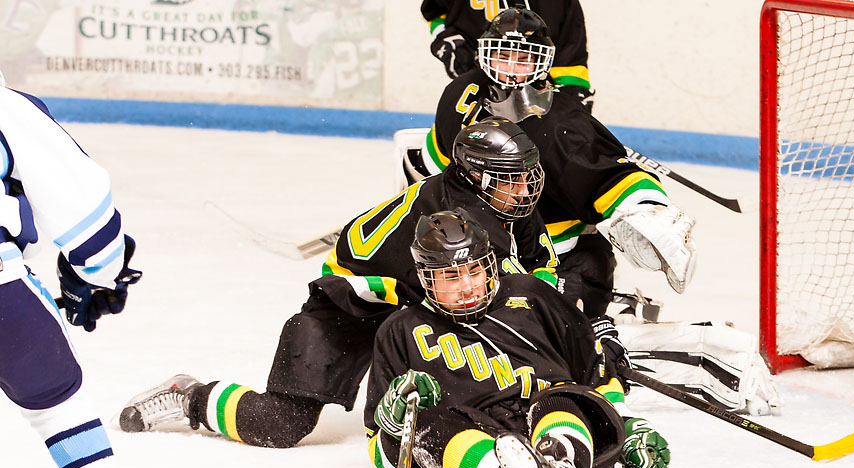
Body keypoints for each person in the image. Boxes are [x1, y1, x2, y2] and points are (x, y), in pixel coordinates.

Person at [410, 8, 782, 416]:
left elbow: (606, 175)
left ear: (543, 62)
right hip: (488, 262)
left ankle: (708, 357)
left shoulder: (561, 122)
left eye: (523, 58)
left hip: (562, 261)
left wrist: (645, 209)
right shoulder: (459, 98)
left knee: (537, 345)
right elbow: (436, 165)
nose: (511, 69)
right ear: (485, 53)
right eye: (503, 55)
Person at [119, 118, 561, 447]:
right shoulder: (460, 221)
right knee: (281, 424)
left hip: (418, 296)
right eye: (511, 178)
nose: (524, 189)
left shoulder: (507, 203)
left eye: (525, 176)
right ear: (477, 177)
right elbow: (508, 305)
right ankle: (189, 396)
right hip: (349, 302)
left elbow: (540, 274)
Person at [366, 208, 671, 468]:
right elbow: (382, 452)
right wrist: (394, 419)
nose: (467, 286)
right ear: (426, 277)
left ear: (490, 265)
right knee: (426, 427)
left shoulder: (532, 294)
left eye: (474, 271)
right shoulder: (399, 331)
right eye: (451, 277)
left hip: (565, 436)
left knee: (560, 396)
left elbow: (595, 374)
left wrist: (630, 425)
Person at [0, 78, 143, 468]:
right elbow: (81, 204)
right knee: (56, 403)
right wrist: (99, 274)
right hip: (3, 295)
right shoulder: (7, 108)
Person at [422, 0, 595, 110]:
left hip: (538, 97)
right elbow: (434, 11)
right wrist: (449, 40)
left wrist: (570, 99)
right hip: (477, 82)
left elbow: (570, 53)